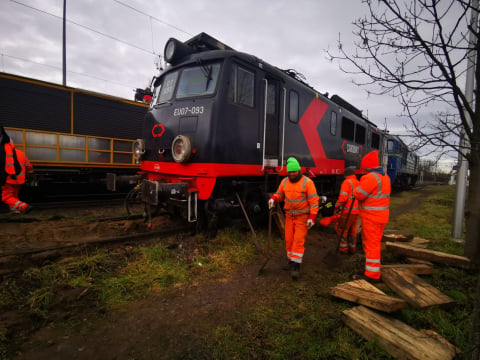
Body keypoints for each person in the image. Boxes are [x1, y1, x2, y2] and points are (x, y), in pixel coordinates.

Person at [268, 157, 319, 280]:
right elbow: (279, 194)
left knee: (298, 241)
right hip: (289, 216)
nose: (292, 174)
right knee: (289, 240)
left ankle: (296, 266)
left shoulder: (308, 183)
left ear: (299, 170)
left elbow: (314, 201)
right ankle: (291, 261)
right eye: (290, 172)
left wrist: (312, 217)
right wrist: (273, 199)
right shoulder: (284, 182)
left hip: (302, 217)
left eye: (294, 171)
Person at [353, 150, 391, 283]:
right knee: (374, 243)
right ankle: (371, 270)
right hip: (381, 216)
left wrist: (356, 187)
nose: (363, 168)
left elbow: (359, 195)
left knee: (371, 245)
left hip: (371, 217)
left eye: (364, 165)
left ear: (368, 165)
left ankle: (372, 275)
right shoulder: (384, 176)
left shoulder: (370, 178)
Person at [0, 126, 34, 214]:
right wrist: (30, 175)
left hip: (9, 179)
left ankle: (24, 206)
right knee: (14, 196)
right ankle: (15, 211)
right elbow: (29, 167)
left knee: (5, 196)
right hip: (19, 180)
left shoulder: (5, 152)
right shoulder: (21, 153)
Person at [334, 166, 360, 254]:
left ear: (346, 175)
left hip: (348, 212)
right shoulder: (358, 182)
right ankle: (352, 249)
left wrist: (337, 206)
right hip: (356, 212)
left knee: (342, 230)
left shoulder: (346, 182)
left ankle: (343, 250)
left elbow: (343, 198)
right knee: (353, 231)